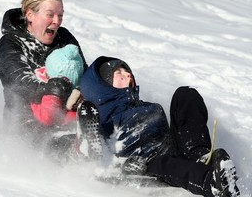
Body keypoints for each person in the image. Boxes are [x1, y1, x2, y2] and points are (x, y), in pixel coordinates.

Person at [77, 56, 240, 197]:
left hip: (172, 151)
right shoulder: (103, 117)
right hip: (146, 165)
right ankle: (213, 184)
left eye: (128, 72)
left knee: (185, 95)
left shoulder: (144, 105)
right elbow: (96, 149)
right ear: (103, 85)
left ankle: (200, 155)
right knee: (165, 164)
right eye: (118, 73)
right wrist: (122, 167)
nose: (127, 74)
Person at [0, 0, 87, 155]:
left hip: (65, 119)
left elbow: (82, 72)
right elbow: (19, 81)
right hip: (26, 126)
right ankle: (81, 160)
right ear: (30, 15)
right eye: (50, 15)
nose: (57, 21)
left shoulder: (64, 38)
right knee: (62, 142)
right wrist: (51, 88)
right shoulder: (11, 42)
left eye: (60, 15)